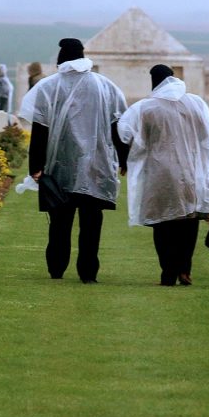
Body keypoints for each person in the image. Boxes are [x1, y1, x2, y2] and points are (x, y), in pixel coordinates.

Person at [19, 38, 128, 283]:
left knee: (60, 220)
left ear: (61, 59)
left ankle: (56, 268)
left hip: (60, 165)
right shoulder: (104, 86)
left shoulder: (48, 87)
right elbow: (116, 125)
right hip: (95, 165)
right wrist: (123, 158)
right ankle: (88, 272)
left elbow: (40, 129)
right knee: (91, 221)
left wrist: (35, 165)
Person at [117, 64, 209, 286]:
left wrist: (125, 161)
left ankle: (168, 271)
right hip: (192, 173)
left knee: (163, 224)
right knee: (189, 221)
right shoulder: (196, 104)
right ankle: (184, 269)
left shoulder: (146, 109)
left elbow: (128, 136)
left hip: (161, 174)